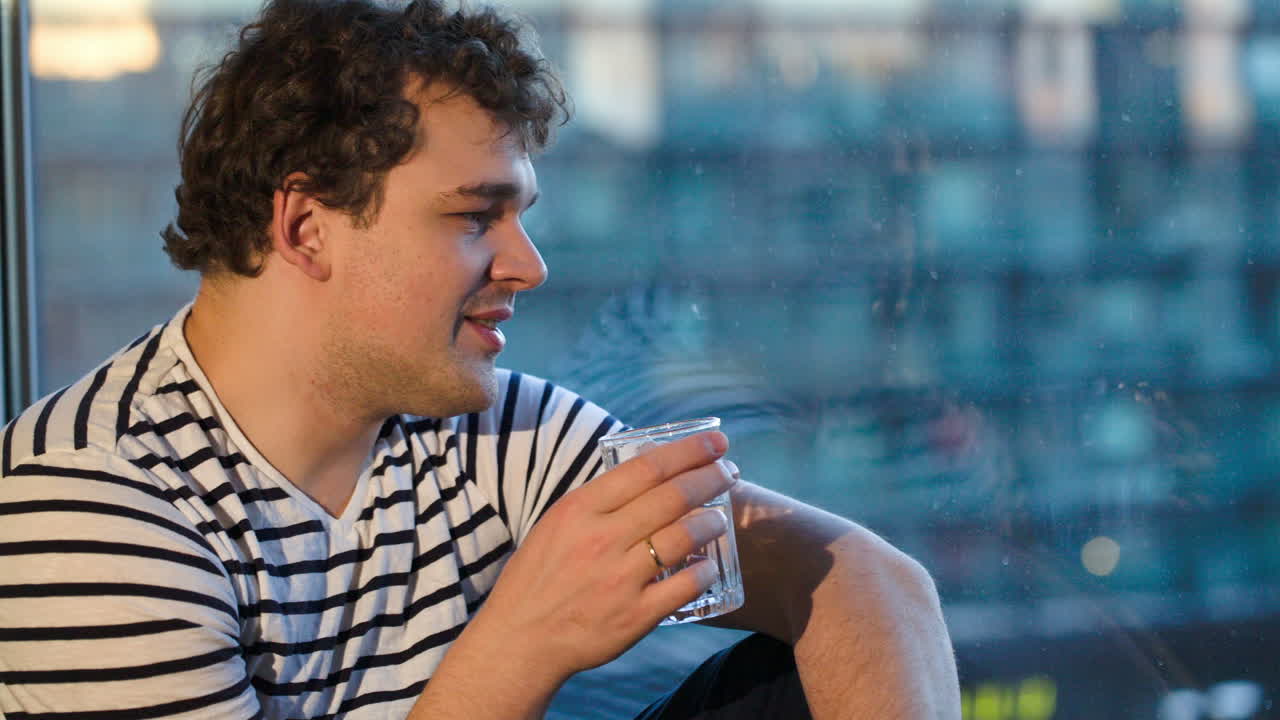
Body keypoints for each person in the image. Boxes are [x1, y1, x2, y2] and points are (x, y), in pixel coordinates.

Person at [0, 0, 961, 717]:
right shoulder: (86, 504)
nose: (527, 265)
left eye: (520, 216)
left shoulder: (491, 428)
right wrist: (524, 643)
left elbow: (876, 585)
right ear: (305, 227)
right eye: (473, 217)